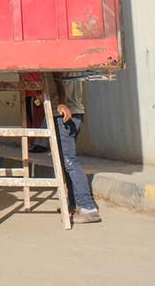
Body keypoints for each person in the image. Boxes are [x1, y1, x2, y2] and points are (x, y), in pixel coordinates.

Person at [48, 73, 102, 224]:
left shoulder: (58, 61)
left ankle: (88, 208)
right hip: (76, 112)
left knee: (69, 162)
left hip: (64, 113)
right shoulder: (75, 61)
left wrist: (62, 103)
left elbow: (59, 81)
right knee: (66, 163)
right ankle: (73, 205)